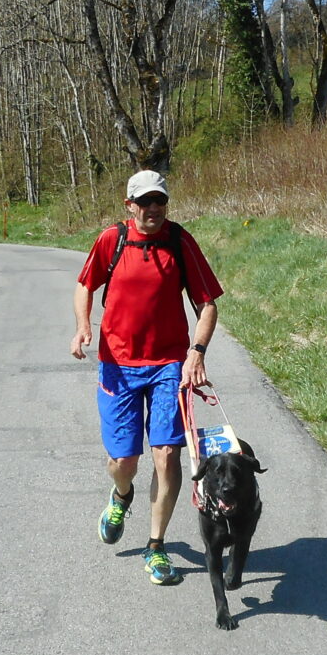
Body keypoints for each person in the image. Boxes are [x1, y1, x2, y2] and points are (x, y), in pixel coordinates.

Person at [71, 169, 224, 586]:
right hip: (118, 365)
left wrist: (196, 352)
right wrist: (84, 325)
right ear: (129, 206)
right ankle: (122, 495)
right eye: (144, 202)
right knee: (124, 461)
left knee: (167, 455)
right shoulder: (112, 240)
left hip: (168, 365)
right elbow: (85, 284)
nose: (153, 209)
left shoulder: (179, 240)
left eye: (160, 201)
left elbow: (207, 303)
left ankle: (156, 547)